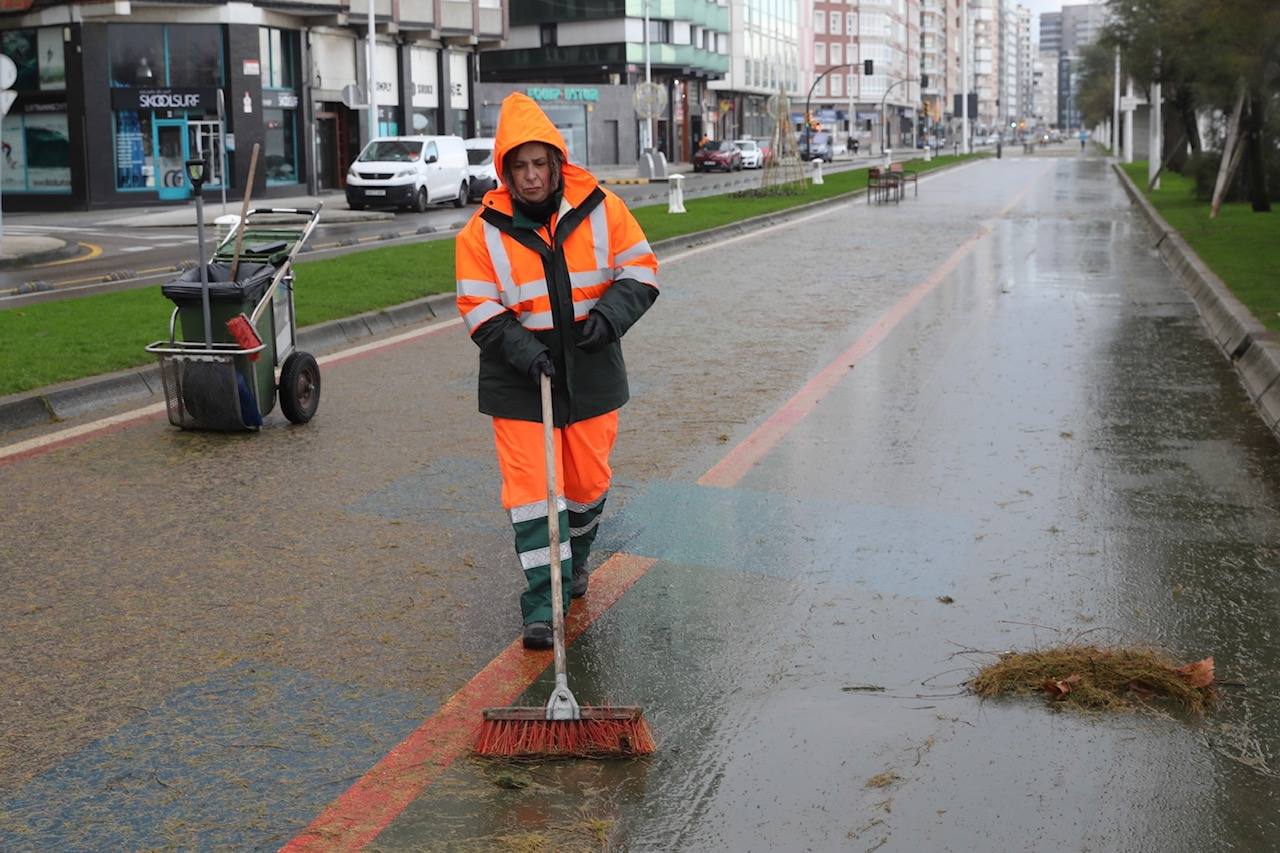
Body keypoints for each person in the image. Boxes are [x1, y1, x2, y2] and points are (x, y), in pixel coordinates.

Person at [455, 93, 660, 649]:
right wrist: (525, 351)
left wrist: (610, 318)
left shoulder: (602, 209)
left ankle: (576, 565)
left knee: (586, 487)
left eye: (538, 164)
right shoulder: (482, 232)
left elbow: (641, 269)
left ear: (556, 163)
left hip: (591, 367)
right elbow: (478, 307)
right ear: (505, 170)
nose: (529, 177)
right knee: (532, 493)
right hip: (517, 376)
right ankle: (542, 605)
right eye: (517, 166)